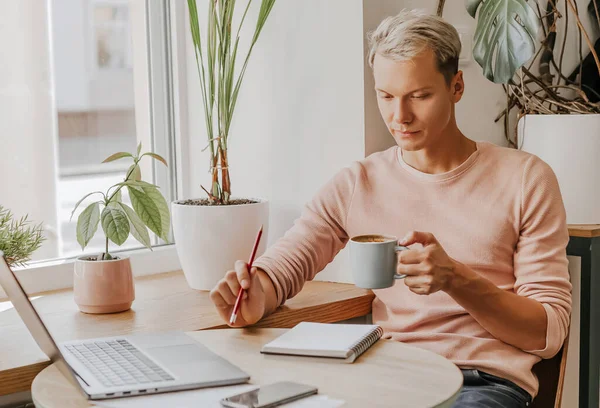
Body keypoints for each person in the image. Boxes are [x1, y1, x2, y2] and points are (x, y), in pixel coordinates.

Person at [209, 9, 571, 408]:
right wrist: (252, 296)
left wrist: (455, 279)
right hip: (388, 378)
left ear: (457, 86)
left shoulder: (525, 179)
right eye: (386, 96)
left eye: (419, 95)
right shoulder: (358, 183)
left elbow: (548, 334)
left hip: (482, 383)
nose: (400, 117)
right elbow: (283, 269)